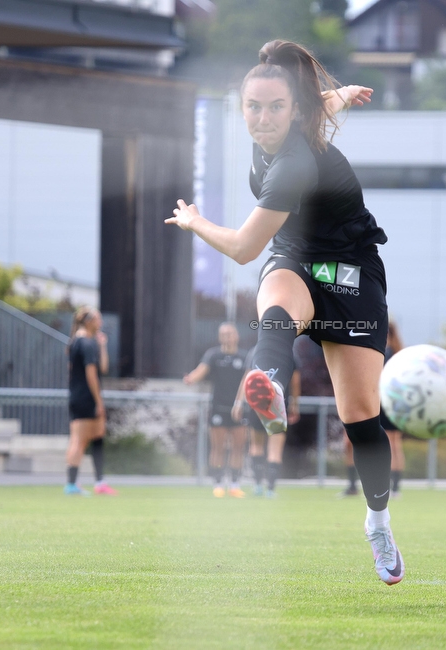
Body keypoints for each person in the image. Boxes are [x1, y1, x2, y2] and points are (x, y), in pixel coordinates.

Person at [166, 40, 403, 585]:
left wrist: (196, 221)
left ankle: (378, 521)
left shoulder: (293, 163)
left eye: (276, 107)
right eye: (253, 106)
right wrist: (341, 94)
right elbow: (324, 103)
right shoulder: (285, 125)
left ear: (294, 110)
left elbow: (244, 247)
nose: (263, 117)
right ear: (242, 106)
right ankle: (268, 379)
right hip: (297, 258)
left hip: (350, 272)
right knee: (274, 297)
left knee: (362, 418)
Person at [184, 322, 249, 498]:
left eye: (230, 333)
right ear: (220, 337)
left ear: (236, 336)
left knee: (238, 448)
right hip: (218, 408)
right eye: (224, 333)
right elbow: (200, 371)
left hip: (239, 409)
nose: (227, 336)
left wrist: (240, 403)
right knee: (217, 448)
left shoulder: (245, 357)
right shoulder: (213, 355)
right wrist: (191, 378)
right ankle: (218, 484)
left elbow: (247, 380)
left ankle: (235, 485)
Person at [233, 346, 300, 498]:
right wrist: (295, 404)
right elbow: (295, 381)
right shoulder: (289, 351)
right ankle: (270, 489)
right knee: (275, 449)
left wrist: (238, 403)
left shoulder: (255, 351)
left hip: (256, 406)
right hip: (278, 404)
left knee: (256, 446)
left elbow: (246, 379)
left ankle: (257, 486)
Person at [65, 306, 115, 496]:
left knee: (97, 434)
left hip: (78, 397)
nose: (100, 323)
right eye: (97, 319)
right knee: (79, 440)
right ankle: (71, 485)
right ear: (88, 321)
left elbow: (103, 367)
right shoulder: (85, 343)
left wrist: (102, 345)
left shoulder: (81, 342)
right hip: (86, 398)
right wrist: (98, 401)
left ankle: (99, 482)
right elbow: (92, 374)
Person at [381, 320, 406, 498]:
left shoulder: (384, 353)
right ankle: (396, 487)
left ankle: (390, 487)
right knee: (396, 444)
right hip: (399, 404)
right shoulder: (400, 354)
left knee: (389, 445)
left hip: (385, 402)